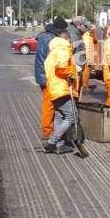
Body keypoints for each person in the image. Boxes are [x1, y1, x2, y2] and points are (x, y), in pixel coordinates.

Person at [42, 17, 79, 155]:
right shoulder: (63, 49)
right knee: (71, 116)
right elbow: (61, 68)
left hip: (54, 88)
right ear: (67, 38)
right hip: (62, 88)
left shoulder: (53, 50)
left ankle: (60, 145)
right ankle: (52, 142)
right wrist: (71, 75)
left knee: (59, 116)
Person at [34, 20, 62, 140]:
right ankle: (47, 131)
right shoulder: (51, 40)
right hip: (47, 76)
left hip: (41, 74)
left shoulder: (44, 36)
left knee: (49, 104)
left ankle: (49, 129)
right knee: (49, 104)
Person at [80, 21, 95, 94]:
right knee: (85, 75)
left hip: (87, 59)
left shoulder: (87, 37)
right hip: (87, 59)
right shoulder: (87, 37)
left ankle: (84, 87)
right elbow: (87, 49)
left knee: (86, 75)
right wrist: (89, 59)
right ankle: (84, 88)